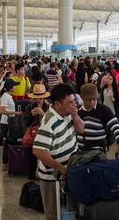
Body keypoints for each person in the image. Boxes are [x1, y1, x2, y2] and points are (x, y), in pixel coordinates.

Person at [33, 83, 84, 220]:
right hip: (52, 178)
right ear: (57, 104)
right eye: (69, 102)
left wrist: (75, 116)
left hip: (68, 172)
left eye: (74, 101)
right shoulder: (49, 121)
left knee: (71, 210)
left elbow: (81, 130)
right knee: (54, 213)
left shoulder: (67, 113)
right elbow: (38, 150)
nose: (74, 105)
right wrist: (61, 169)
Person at [78, 83, 119, 154]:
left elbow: (115, 126)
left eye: (94, 99)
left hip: (99, 153)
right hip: (81, 153)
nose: (92, 102)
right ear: (81, 97)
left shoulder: (103, 110)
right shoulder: (78, 111)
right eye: (88, 100)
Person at [24, 84, 51, 181]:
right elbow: (26, 123)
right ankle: (31, 178)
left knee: (45, 158)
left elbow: (51, 123)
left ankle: (45, 177)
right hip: (33, 136)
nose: (38, 99)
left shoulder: (49, 107)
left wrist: (44, 114)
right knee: (32, 158)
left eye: (40, 97)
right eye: (36, 97)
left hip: (45, 136)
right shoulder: (29, 107)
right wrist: (31, 115)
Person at [0, 79, 22, 171]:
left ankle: (8, 163)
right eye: (14, 85)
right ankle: (5, 164)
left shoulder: (8, 96)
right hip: (6, 123)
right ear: (10, 87)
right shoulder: (6, 97)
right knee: (7, 143)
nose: (16, 87)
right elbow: (2, 110)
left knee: (8, 142)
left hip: (9, 122)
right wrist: (15, 112)